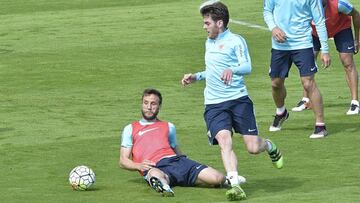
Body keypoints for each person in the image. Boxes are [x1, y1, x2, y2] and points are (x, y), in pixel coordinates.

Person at [181, 1, 283, 201]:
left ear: (219, 23)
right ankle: (235, 185)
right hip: (214, 104)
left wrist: (232, 70)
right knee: (224, 141)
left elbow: (247, 66)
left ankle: (270, 146)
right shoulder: (208, 41)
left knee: (253, 147)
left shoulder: (236, 41)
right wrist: (197, 76)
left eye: (207, 23)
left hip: (238, 101)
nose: (204, 27)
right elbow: (212, 69)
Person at [118, 88, 246, 198]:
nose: (149, 107)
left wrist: (188, 162)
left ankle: (227, 180)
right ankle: (164, 187)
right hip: (156, 165)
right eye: (146, 103)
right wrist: (139, 166)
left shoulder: (169, 126)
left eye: (153, 104)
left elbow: (176, 150)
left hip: (178, 161)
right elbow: (123, 160)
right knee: (154, 174)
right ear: (142, 104)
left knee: (217, 178)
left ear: (159, 106)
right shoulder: (131, 128)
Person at [263, 0, 332, 138]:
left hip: (303, 43)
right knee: (276, 84)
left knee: (308, 82)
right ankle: (281, 112)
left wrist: (325, 49)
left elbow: (319, 20)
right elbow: (267, 11)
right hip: (280, 46)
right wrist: (273, 27)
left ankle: (320, 125)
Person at [291, 0, 360, 115]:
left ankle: (355, 102)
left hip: (340, 28)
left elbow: (356, 14)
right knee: (308, 60)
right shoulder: (305, 5)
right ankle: (306, 100)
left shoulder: (339, 4)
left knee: (347, 61)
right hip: (315, 32)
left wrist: (357, 39)